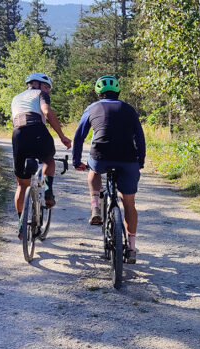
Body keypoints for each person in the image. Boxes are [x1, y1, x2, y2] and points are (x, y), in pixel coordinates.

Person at [72, 75, 146, 264]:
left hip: (101, 155)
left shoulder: (91, 108)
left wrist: (76, 160)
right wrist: (141, 161)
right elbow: (139, 136)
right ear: (118, 92)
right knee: (129, 204)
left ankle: (96, 206)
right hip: (128, 159)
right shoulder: (129, 109)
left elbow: (79, 136)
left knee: (93, 171)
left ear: (98, 93)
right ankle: (131, 248)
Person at [11, 73, 72, 237]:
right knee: (49, 160)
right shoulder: (40, 94)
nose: (48, 91)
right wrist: (62, 136)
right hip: (37, 129)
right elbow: (47, 112)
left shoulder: (16, 98)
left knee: (21, 185)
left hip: (18, 134)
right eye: (47, 87)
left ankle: (20, 224)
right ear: (38, 85)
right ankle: (47, 191)